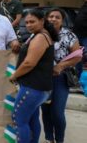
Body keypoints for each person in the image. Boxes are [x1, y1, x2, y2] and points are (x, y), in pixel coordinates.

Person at [9, 9, 59, 143]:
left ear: (42, 21)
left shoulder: (40, 37)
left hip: (33, 88)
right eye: (26, 23)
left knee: (18, 120)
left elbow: (29, 63)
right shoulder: (39, 35)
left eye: (32, 21)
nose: (29, 25)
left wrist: (14, 75)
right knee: (31, 119)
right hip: (38, 88)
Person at [42, 8, 81, 143]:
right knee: (46, 111)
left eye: (57, 17)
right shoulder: (41, 34)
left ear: (62, 20)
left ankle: (59, 140)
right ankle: (49, 138)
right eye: (51, 16)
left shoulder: (69, 35)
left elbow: (78, 56)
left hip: (60, 78)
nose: (53, 19)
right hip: (43, 79)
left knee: (57, 113)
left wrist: (61, 66)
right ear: (46, 19)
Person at [73, 0, 87, 77]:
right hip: (79, 36)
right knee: (77, 57)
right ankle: (78, 77)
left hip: (86, 36)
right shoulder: (85, 6)